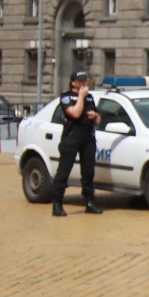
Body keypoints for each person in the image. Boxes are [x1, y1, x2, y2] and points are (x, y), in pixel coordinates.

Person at [50, 71, 103, 216]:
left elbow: (98, 119)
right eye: (80, 81)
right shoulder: (67, 97)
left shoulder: (90, 97)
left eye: (85, 81)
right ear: (73, 82)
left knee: (88, 172)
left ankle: (90, 202)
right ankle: (57, 204)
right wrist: (81, 97)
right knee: (64, 171)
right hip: (72, 137)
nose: (84, 84)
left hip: (88, 137)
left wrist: (96, 116)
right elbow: (75, 113)